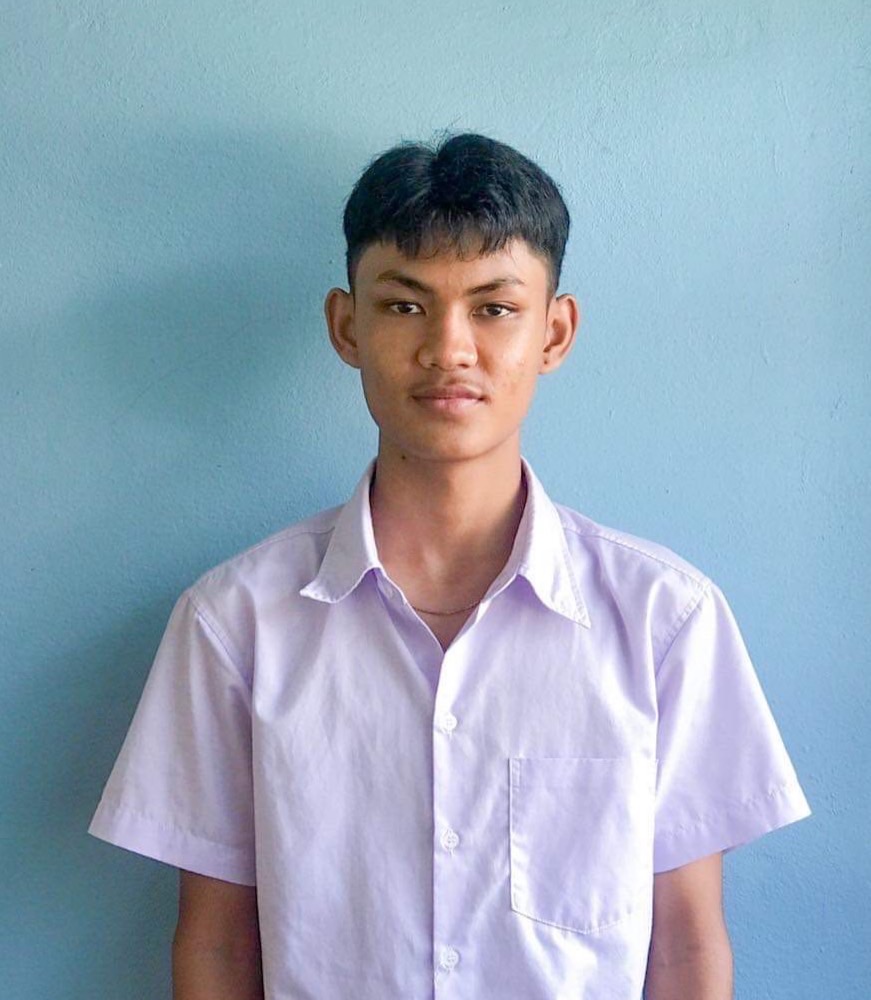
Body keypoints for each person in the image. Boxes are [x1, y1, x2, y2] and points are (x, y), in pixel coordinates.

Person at [89, 133, 811, 999]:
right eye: (404, 305)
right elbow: (215, 947)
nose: (448, 348)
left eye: (494, 308)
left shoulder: (664, 620)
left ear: (554, 332)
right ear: (346, 326)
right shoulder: (235, 622)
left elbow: (687, 946)